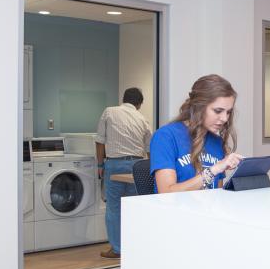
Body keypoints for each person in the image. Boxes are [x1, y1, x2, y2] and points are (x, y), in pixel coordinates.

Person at [151, 74, 243, 193]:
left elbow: (217, 194)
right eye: (218, 111)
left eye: (228, 112)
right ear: (199, 107)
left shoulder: (217, 141)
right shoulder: (165, 136)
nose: (225, 118)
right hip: (175, 210)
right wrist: (213, 170)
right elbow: (166, 192)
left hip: (206, 211)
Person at [95, 87, 152, 259]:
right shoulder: (142, 118)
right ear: (139, 104)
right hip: (137, 165)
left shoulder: (109, 112)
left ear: (123, 99)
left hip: (114, 164)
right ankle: (133, 246)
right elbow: (149, 148)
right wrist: (149, 169)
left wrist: (99, 164)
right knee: (132, 208)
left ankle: (117, 249)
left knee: (114, 208)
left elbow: (99, 141)